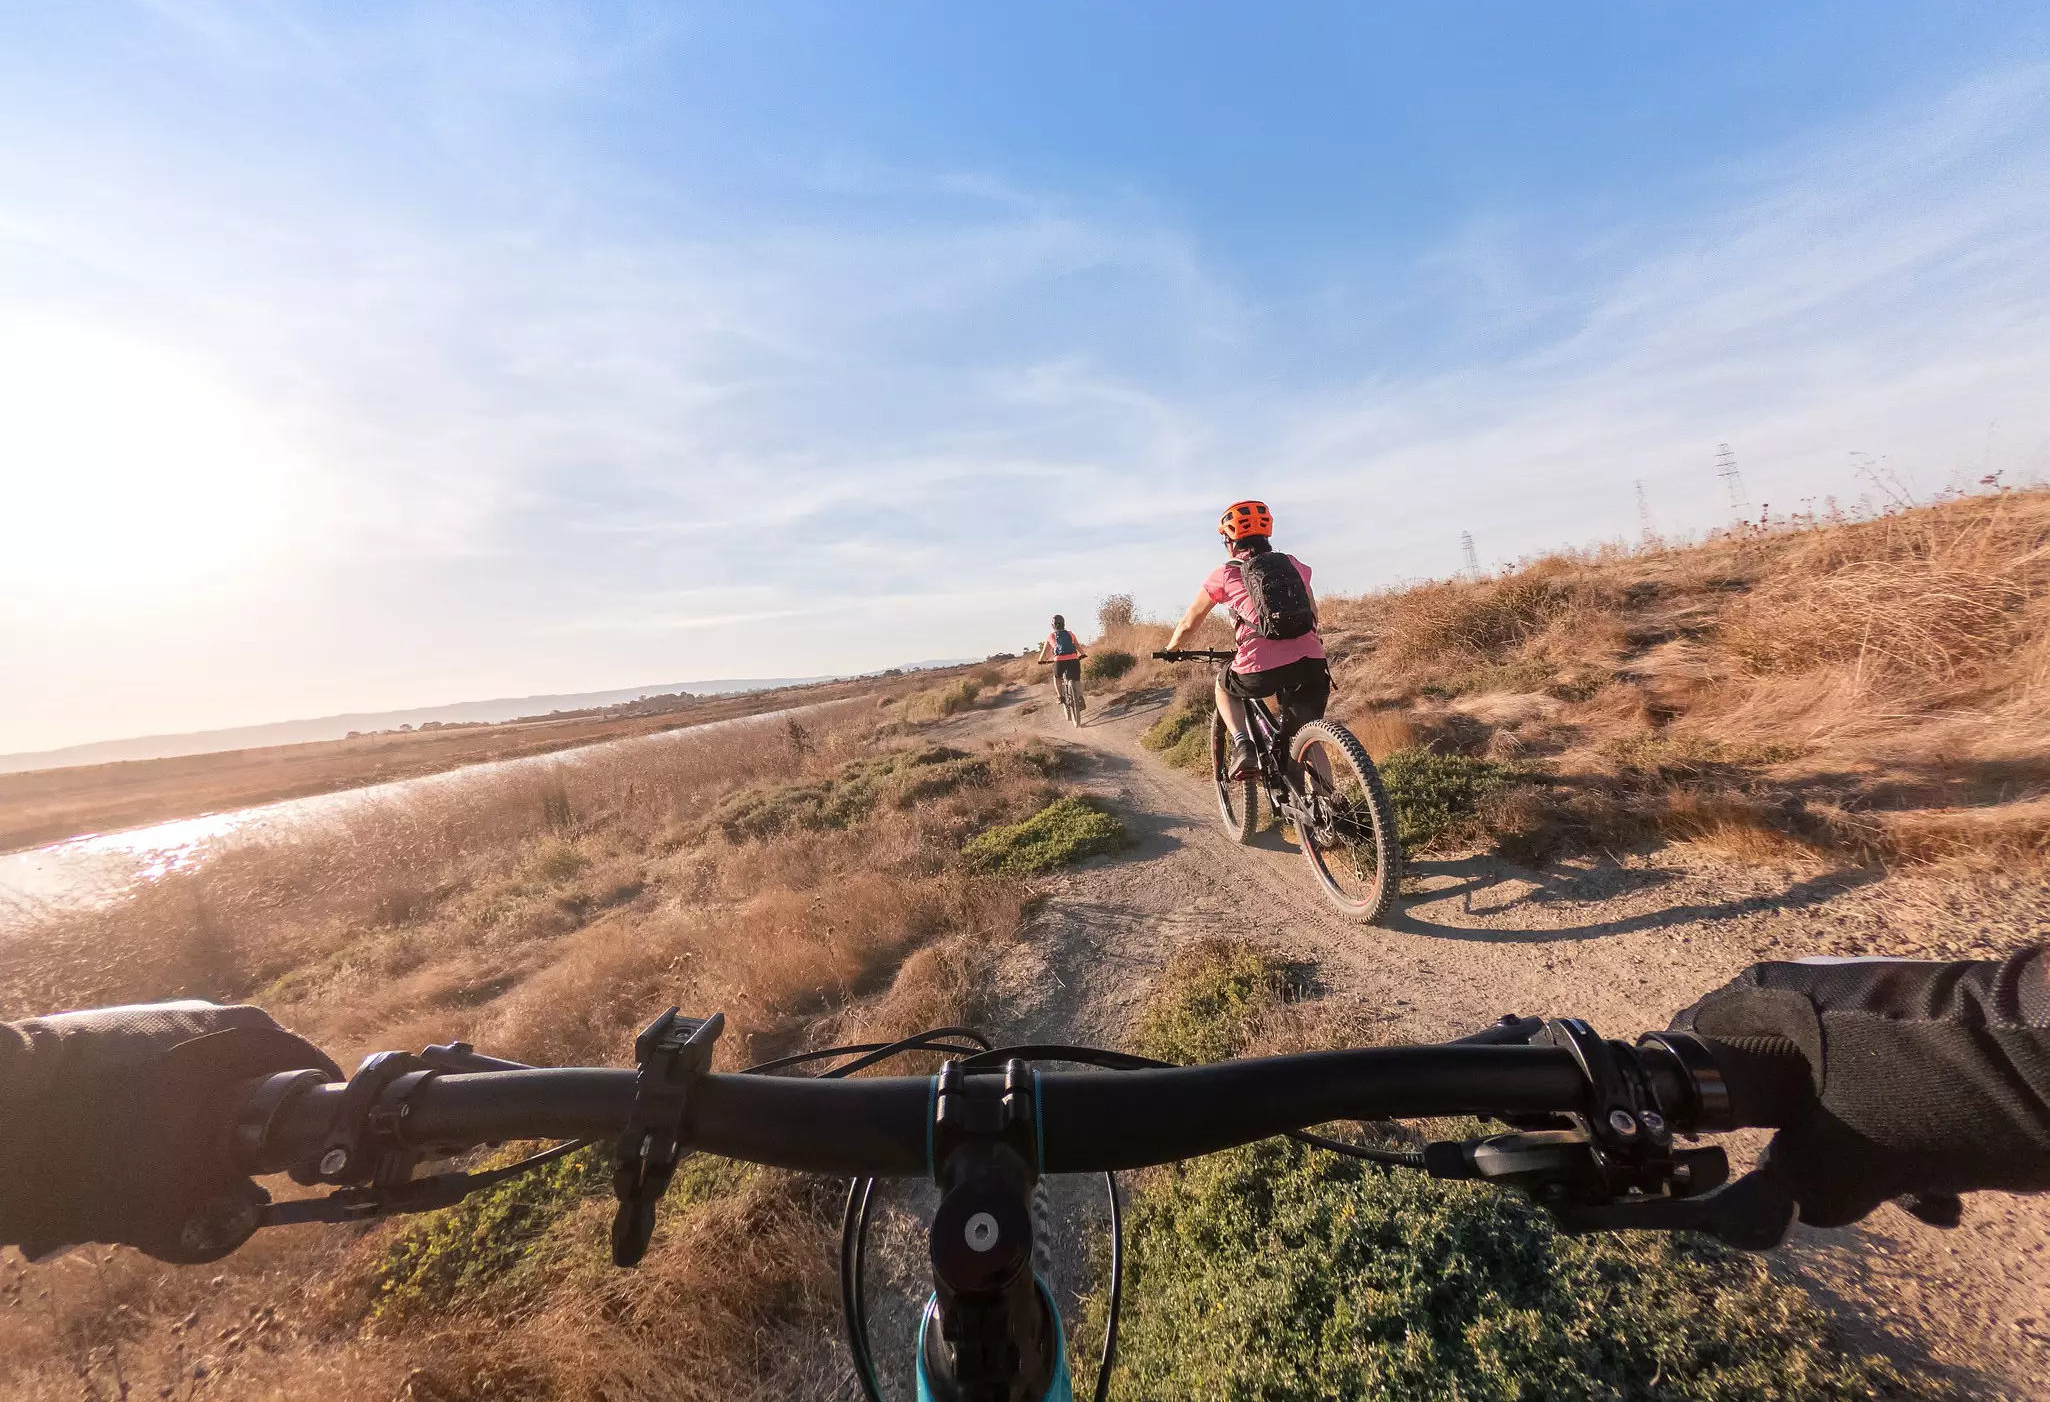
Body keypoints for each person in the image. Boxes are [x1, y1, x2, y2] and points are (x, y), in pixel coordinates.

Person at [3, 949, 2047, 1263]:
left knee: (1262, 707)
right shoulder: (1253, 582)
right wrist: (1819, 1051)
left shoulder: (1269, 577)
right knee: (1252, 714)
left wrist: (1819, 1046)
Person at [1163, 499, 1330, 779]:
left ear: (1230, 541)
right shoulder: (1292, 564)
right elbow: (1313, 614)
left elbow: (1190, 621)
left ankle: (1243, 746)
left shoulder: (1225, 573)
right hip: (1312, 663)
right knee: (1307, 733)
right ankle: (1331, 808)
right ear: (1267, 536)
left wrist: (1172, 649)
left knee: (1223, 684)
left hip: (1259, 667)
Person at [1037, 613, 1086, 713]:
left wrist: (1040, 660)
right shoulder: (1070, 634)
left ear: (1053, 626)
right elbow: (1077, 645)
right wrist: (1083, 654)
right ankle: (1080, 697)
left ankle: (1060, 696)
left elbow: (1044, 651)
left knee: (1057, 677)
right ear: (1064, 624)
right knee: (1076, 679)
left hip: (1059, 661)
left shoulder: (1051, 636)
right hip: (1073, 660)